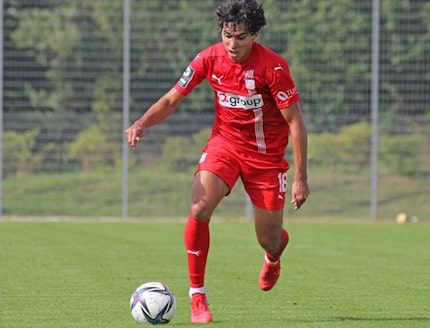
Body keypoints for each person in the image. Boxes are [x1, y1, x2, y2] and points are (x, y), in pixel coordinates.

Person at [124, 0, 310, 324]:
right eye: (227, 35)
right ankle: (197, 296)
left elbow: (295, 121)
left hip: (266, 159)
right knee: (199, 206)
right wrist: (142, 123)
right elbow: (171, 99)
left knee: (269, 238)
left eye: (240, 37)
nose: (232, 44)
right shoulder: (208, 58)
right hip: (225, 144)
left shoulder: (273, 68)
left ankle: (273, 254)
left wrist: (301, 177)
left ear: (254, 34)